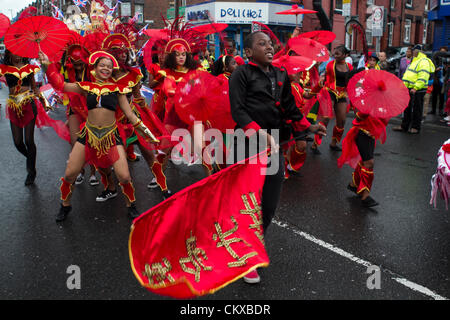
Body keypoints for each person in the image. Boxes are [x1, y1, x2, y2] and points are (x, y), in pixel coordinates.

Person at [229, 31, 326, 284]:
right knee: (248, 203)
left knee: (269, 205)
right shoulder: (241, 74)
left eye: (270, 43)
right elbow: (238, 111)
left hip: (274, 143)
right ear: (249, 52)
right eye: (262, 44)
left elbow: (290, 110)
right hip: (246, 143)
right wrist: (260, 134)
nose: (269, 47)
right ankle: (247, 256)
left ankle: (252, 243)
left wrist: (308, 128)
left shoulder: (280, 75)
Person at [39, 50, 158, 222]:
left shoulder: (118, 89)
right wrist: (47, 65)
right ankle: (65, 205)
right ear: (95, 67)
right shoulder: (86, 86)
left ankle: (131, 205)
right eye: (102, 65)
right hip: (89, 134)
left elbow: (130, 115)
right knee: (70, 173)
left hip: (111, 135)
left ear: (112, 70)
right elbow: (60, 85)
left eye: (109, 67)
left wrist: (147, 133)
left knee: (124, 176)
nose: (105, 69)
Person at [0, 50, 65, 185]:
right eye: (14, 53)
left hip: (29, 104)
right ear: (8, 54)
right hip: (13, 106)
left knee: (29, 140)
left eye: (19, 53)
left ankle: (31, 171)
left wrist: (45, 101)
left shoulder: (29, 68)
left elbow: (35, 88)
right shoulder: (4, 68)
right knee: (18, 142)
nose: (18, 55)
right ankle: (30, 158)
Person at [45, 42, 99, 187]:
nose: (79, 67)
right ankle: (80, 170)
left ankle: (93, 173)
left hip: (91, 108)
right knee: (76, 141)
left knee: (92, 142)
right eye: (75, 64)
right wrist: (46, 65)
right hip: (74, 108)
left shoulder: (93, 72)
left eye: (81, 64)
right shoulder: (67, 71)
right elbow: (57, 81)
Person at [311, 45, 353, 154]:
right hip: (330, 92)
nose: (335, 55)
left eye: (338, 54)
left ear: (345, 55)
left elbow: (351, 81)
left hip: (342, 94)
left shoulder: (349, 67)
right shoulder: (330, 65)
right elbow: (325, 78)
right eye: (334, 53)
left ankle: (334, 143)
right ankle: (315, 144)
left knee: (342, 120)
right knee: (325, 119)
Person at [393, 44, 435, 134]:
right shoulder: (415, 60)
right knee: (407, 108)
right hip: (410, 88)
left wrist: (416, 87)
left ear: (418, 51)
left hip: (418, 90)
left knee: (417, 109)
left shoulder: (423, 61)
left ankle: (415, 127)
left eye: (414, 50)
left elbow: (423, 76)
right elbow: (409, 75)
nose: (412, 52)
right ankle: (404, 126)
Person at [430, 46, 448, 116]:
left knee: (442, 96)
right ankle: (433, 110)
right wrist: (435, 70)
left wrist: (445, 69)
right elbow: (431, 68)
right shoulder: (435, 58)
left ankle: (440, 110)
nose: (442, 53)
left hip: (443, 80)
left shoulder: (447, 59)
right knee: (434, 95)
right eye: (441, 51)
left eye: (443, 52)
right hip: (436, 80)